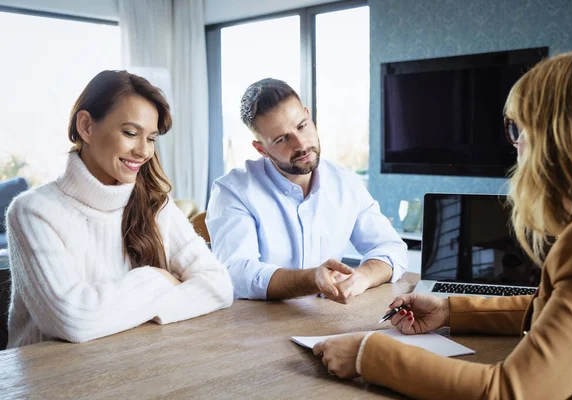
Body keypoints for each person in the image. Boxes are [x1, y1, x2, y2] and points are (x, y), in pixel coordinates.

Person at [313, 48, 572, 399]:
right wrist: (450, 308)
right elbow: (560, 313)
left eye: (518, 128)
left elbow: (508, 393)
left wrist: (366, 354)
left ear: (559, 138)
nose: (516, 145)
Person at [6, 70, 233, 348]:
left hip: (136, 366)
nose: (143, 151)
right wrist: (159, 279)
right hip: (52, 381)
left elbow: (219, 286)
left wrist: (124, 309)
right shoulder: (33, 212)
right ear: (86, 126)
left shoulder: (156, 204)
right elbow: (73, 319)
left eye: (151, 138)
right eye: (130, 133)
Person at [207, 78, 407, 302]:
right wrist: (311, 280)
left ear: (308, 116)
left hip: (328, 321)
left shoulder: (346, 183)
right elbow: (235, 272)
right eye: (282, 139)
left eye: (302, 126)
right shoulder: (233, 191)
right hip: (258, 328)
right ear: (261, 148)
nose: (301, 145)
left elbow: (391, 247)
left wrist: (360, 277)